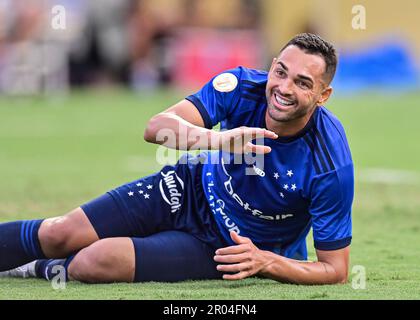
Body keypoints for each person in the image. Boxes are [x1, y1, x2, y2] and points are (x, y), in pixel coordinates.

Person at [0, 33, 353, 285]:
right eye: (281, 72)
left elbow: (334, 270)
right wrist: (217, 140)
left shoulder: (330, 166)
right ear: (273, 66)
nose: (284, 88)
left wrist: (267, 261)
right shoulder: (240, 85)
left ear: (324, 95)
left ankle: (41, 268)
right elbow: (157, 128)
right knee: (62, 232)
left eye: (303, 83)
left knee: (93, 262)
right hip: (186, 188)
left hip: (230, 246)